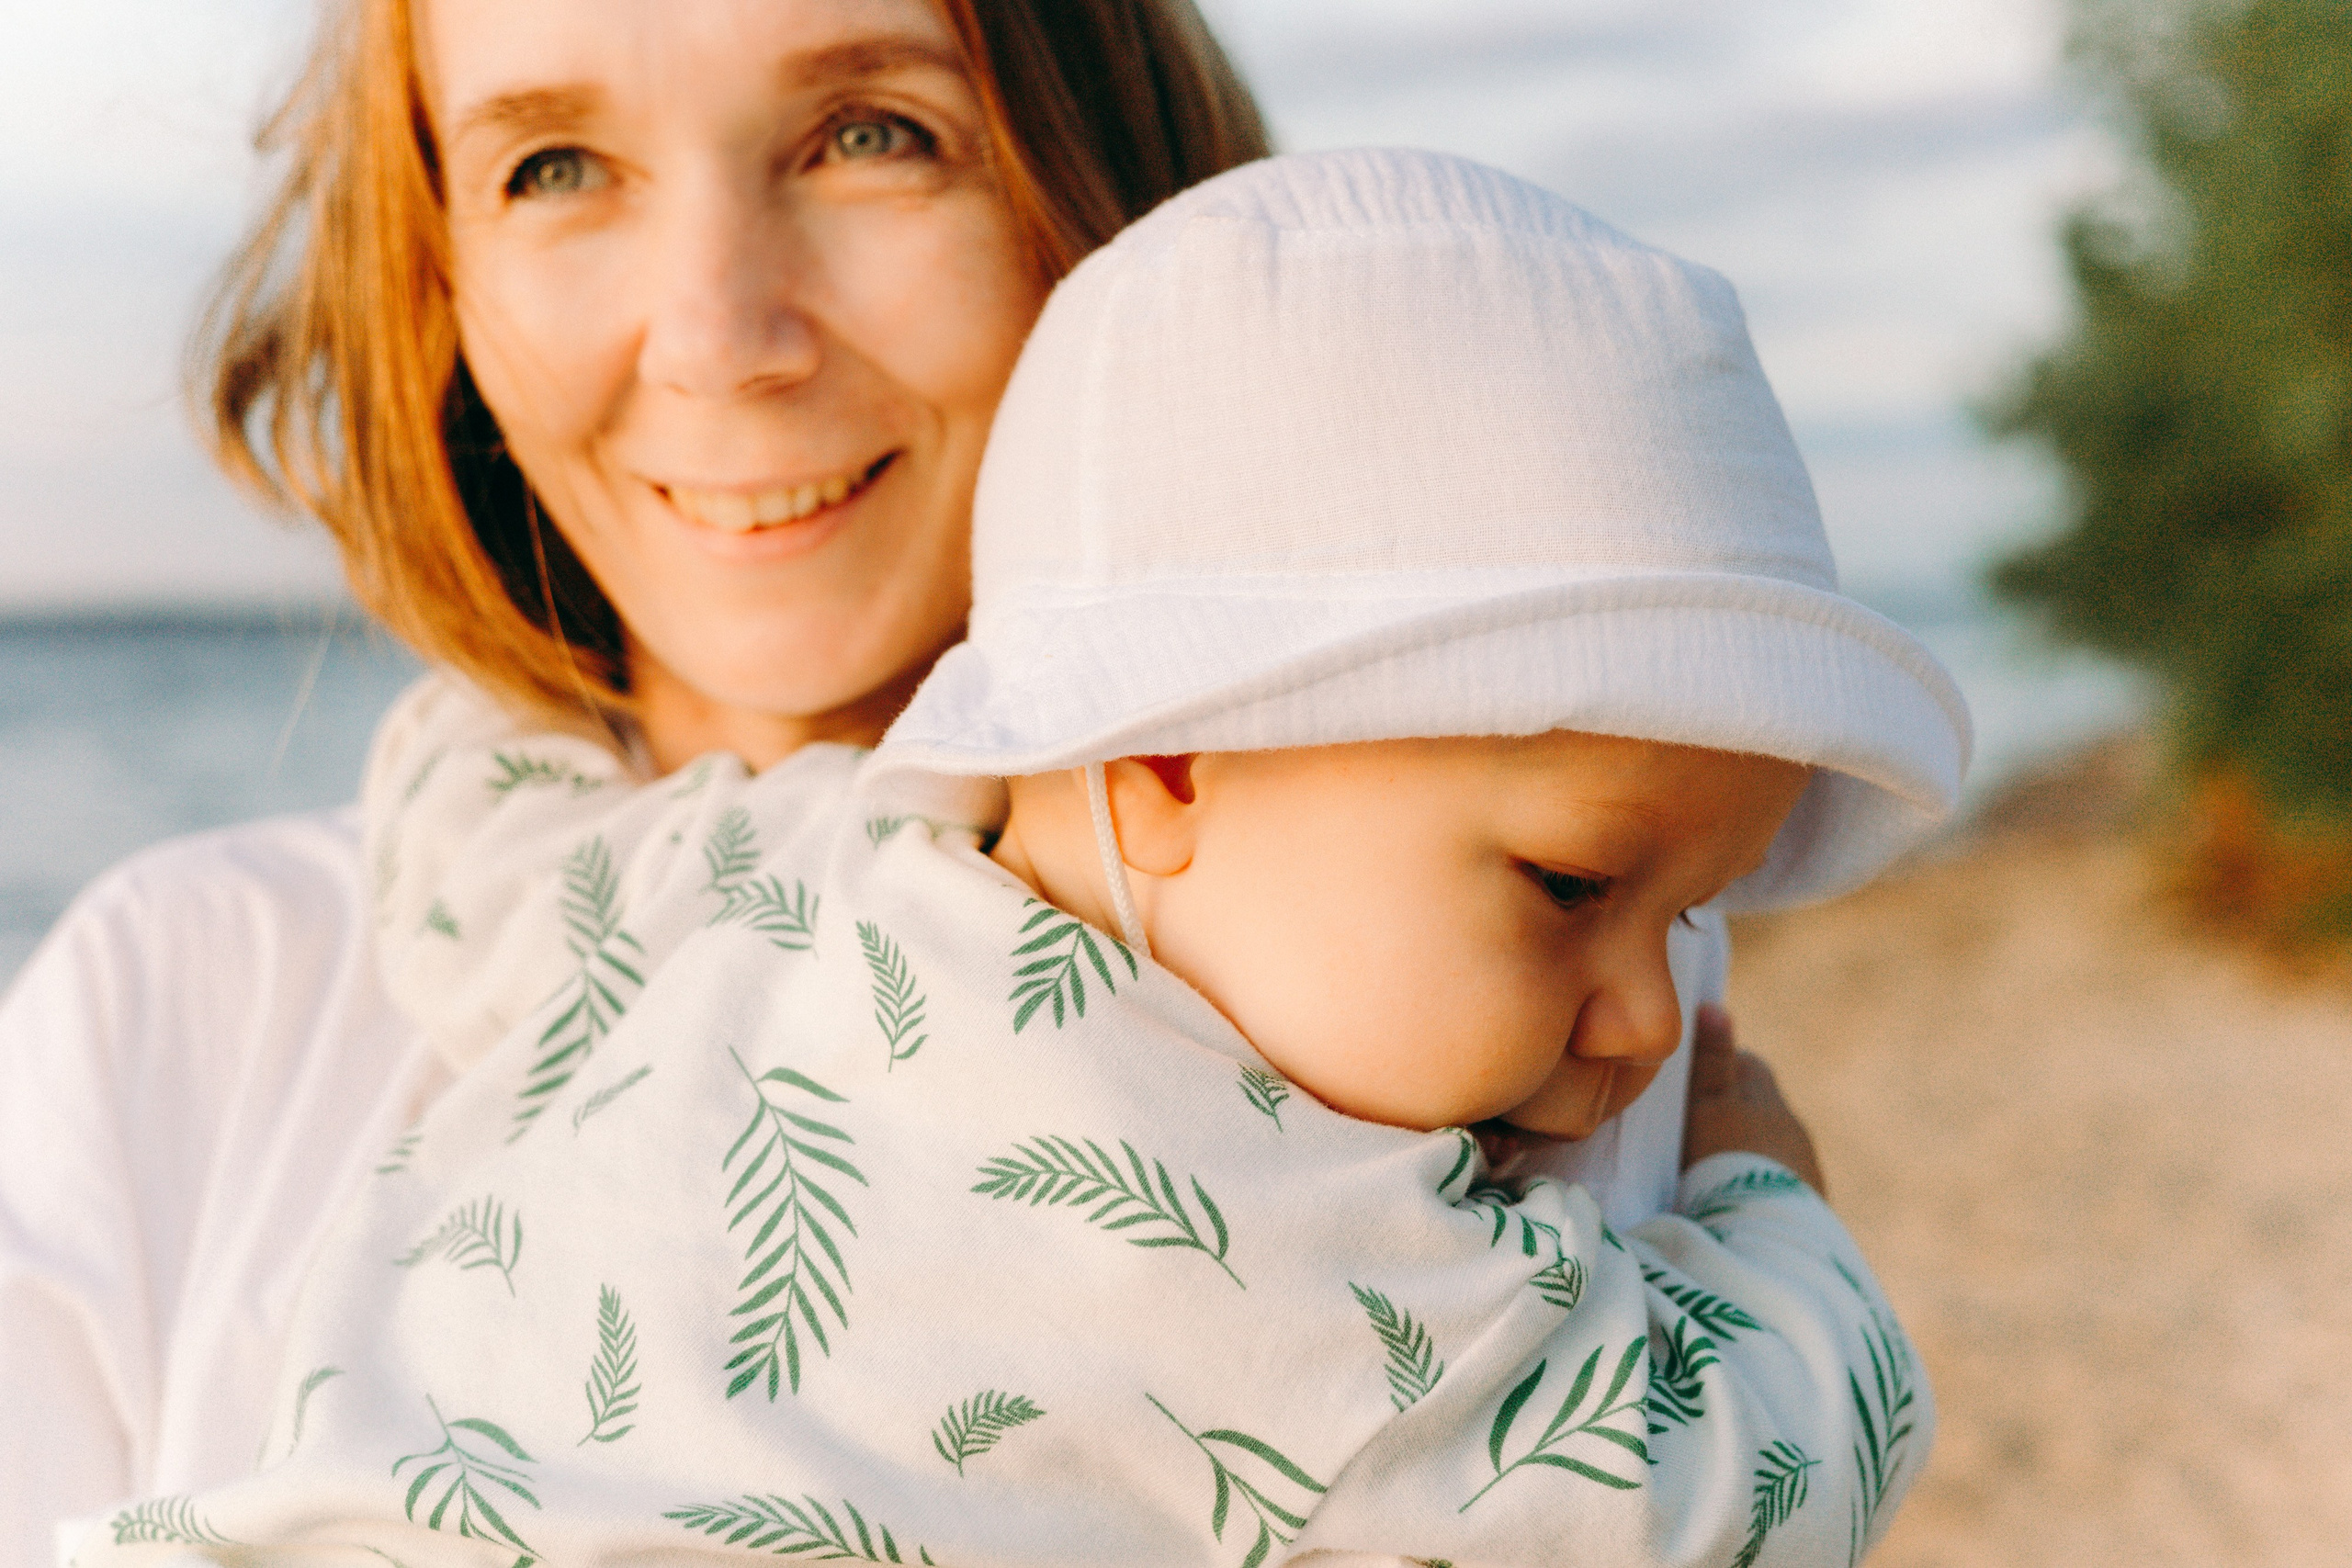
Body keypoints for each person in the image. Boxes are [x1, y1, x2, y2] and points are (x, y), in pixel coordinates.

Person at [75, 150, 1965, 1567]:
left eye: (1691, 908)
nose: (1646, 1012)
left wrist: (487, 702)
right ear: (1158, 760)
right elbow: (1684, 1482)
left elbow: (470, 868)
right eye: (1568, 887)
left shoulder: (778, 862)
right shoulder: (1308, 1240)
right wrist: (1778, 1234)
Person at [0, 2, 1277, 1564]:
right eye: (553, 167)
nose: (719, 338)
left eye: (874, 134)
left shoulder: (1556, 971)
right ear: (437, 267)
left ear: (1118, 179)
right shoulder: (180, 1008)